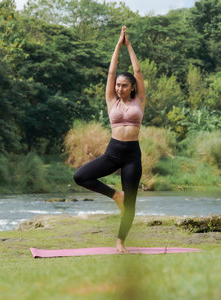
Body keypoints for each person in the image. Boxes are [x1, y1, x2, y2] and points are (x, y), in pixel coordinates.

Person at [73, 26, 146, 252]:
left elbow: (138, 70)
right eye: (118, 86)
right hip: (113, 152)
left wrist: (129, 46)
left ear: (132, 87)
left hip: (132, 155)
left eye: (125, 85)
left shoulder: (139, 101)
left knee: (131, 204)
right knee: (80, 176)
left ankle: (120, 242)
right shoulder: (111, 100)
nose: (120, 88)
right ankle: (116, 196)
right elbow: (111, 73)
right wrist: (117, 45)